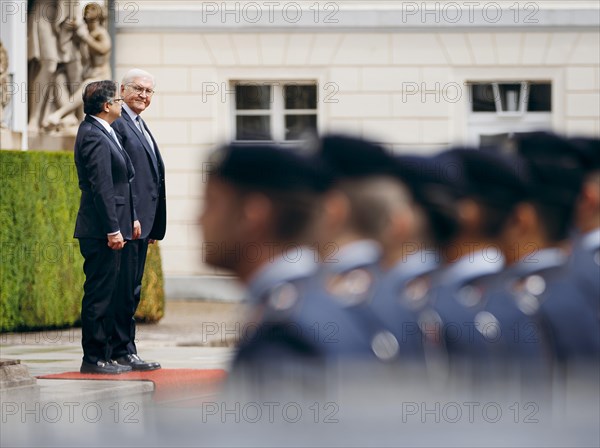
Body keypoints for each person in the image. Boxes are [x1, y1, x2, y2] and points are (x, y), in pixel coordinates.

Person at [73, 80, 138, 374]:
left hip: (113, 226)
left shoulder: (104, 130)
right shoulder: (93, 135)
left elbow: (122, 182)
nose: (122, 104)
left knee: (111, 293)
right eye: (117, 100)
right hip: (100, 230)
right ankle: (94, 357)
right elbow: (101, 187)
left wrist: (130, 219)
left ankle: (107, 354)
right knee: (100, 294)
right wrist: (113, 229)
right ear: (106, 106)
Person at [110, 68, 165, 371]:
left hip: (143, 224)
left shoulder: (140, 124)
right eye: (138, 89)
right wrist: (131, 217)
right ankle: (120, 350)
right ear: (122, 89)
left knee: (132, 289)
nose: (143, 95)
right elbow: (122, 179)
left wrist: (152, 222)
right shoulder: (118, 123)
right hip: (128, 222)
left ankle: (125, 349)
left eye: (148, 91)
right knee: (122, 290)